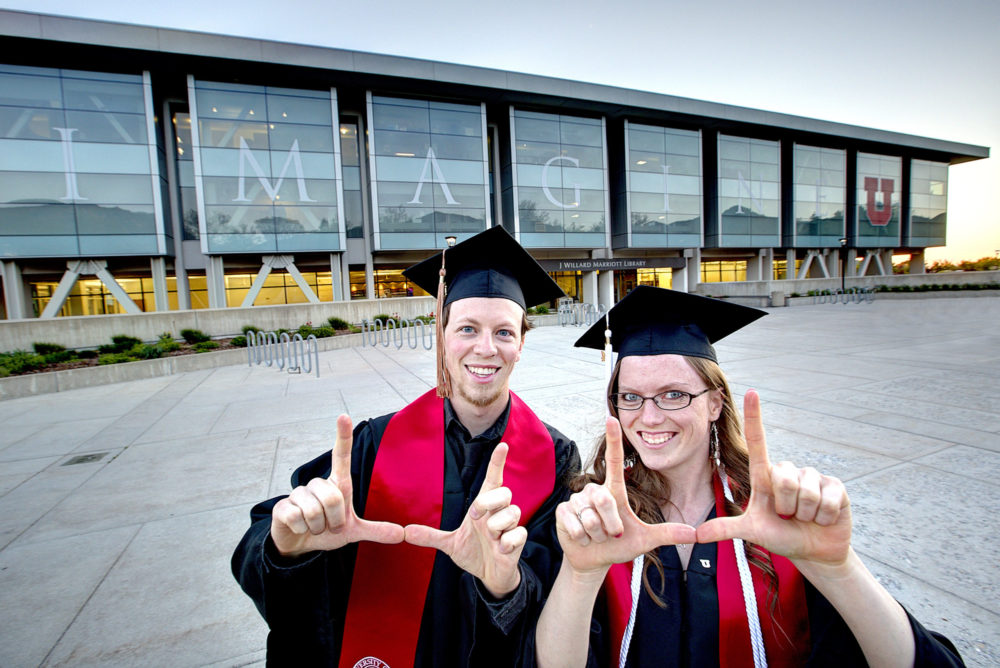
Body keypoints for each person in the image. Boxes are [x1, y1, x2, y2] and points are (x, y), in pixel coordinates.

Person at [533, 286, 963, 667]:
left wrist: (837, 568)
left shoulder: (780, 516)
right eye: (630, 397)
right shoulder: (595, 516)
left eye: (674, 394)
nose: (648, 417)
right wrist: (580, 572)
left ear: (715, 403)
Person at [232, 225, 580, 667]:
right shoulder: (375, 443)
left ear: (522, 344)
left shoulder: (555, 457)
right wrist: (288, 549)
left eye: (505, 333)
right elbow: (271, 544)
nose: (486, 348)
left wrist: (504, 585)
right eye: (468, 328)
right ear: (442, 333)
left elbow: (558, 598)